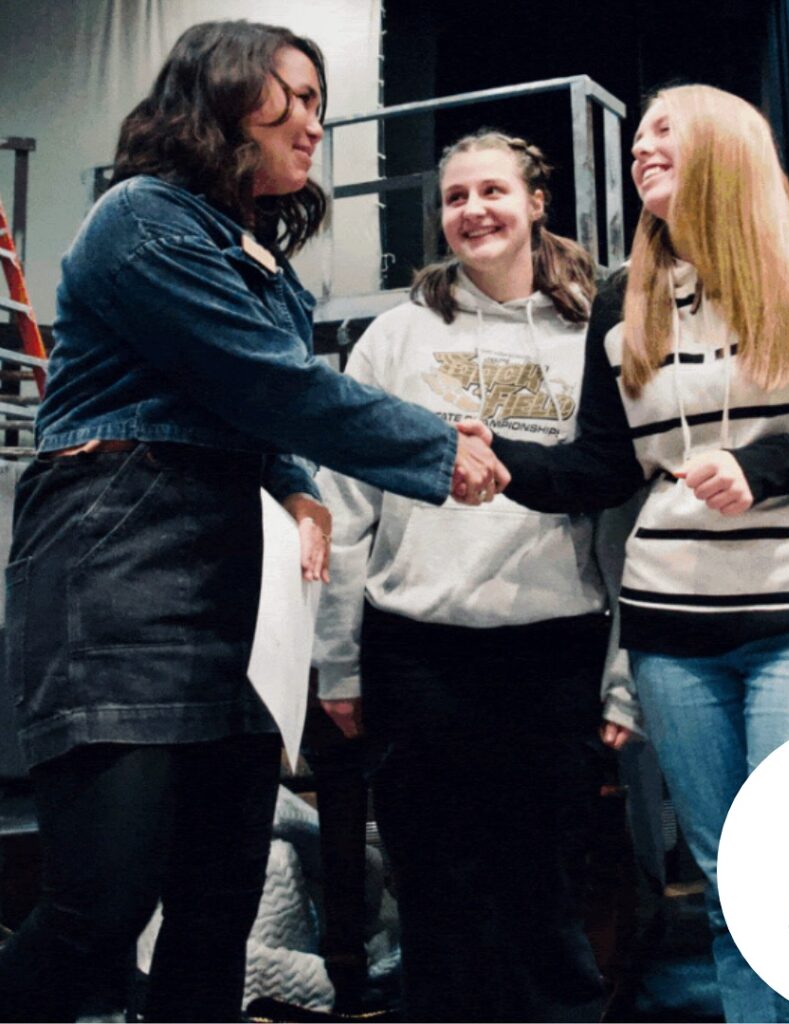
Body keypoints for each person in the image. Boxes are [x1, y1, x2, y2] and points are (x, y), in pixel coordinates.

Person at [0, 20, 504, 1023]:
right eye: (297, 96)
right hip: (118, 574)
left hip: (226, 594)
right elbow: (259, 379)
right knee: (99, 906)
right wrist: (434, 448)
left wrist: (299, 483)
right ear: (228, 94)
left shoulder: (260, 255)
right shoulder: (141, 218)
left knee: (216, 904)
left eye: (320, 100)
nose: (317, 122)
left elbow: (245, 402)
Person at [473, 85, 789, 1023]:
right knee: (731, 885)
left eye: (662, 132)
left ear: (726, 143)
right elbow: (602, 467)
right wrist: (490, 462)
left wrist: (765, 469)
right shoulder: (620, 298)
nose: (641, 150)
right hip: (676, 630)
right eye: (636, 140)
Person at [314, 130, 636, 1022]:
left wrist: (621, 676)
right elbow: (346, 510)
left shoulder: (592, 339)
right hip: (418, 655)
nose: (472, 212)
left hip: (552, 654)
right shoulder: (393, 338)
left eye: (492, 191)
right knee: (434, 894)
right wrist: (337, 662)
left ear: (537, 203)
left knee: (543, 889)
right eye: (455, 198)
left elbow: (620, 515)